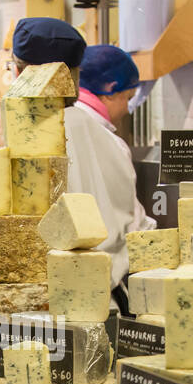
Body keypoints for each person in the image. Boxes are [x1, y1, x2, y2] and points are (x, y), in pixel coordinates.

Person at [65, 44, 156, 299]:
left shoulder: (55, 125)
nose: (127, 109)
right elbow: (131, 220)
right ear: (108, 90)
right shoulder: (109, 142)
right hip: (103, 281)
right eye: (127, 97)